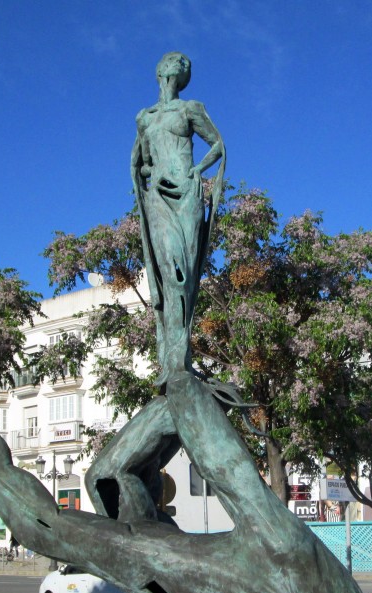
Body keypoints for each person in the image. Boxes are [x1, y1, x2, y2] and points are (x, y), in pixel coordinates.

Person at [132, 51, 225, 384]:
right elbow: (140, 161)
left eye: (183, 63)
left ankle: (179, 356)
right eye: (174, 61)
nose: (178, 64)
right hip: (158, 197)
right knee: (171, 274)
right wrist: (150, 174)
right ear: (161, 70)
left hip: (186, 196)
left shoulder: (190, 109)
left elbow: (217, 145)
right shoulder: (144, 117)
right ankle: (173, 358)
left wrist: (197, 170)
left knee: (184, 275)